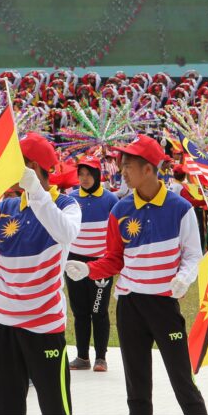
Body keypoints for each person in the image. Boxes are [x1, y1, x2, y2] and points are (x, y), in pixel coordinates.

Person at [67, 135, 206, 415]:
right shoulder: (120, 210)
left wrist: (184, 277)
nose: (122, 172)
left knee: (183, 380)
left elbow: (193, 255)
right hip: (130, 305)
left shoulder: (181, 208)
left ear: (148, 169)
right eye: (122, 165)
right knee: (137, 387)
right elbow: (115, 259)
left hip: (164, 305)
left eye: (128, 165)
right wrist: (89, 269)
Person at [0, 133, 82, 415]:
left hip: (44, 325)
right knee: (7, 407)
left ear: (32, 168)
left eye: (12, 163)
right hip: (2, 323)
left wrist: (37, 194)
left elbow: (66, 233)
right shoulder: (6, 207)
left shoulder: (66, 205)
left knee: (55, 407)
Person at [66, 156, 118, 372]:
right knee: (79, 312)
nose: (84, 179)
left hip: (100, 265)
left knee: (99, 311)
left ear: (97, 176)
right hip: (74, 264)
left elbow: (118, 233)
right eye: (81, 174)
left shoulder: (110, 200)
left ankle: (101, 358)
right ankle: (82, 357)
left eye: (89, 174)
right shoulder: (70, 198)